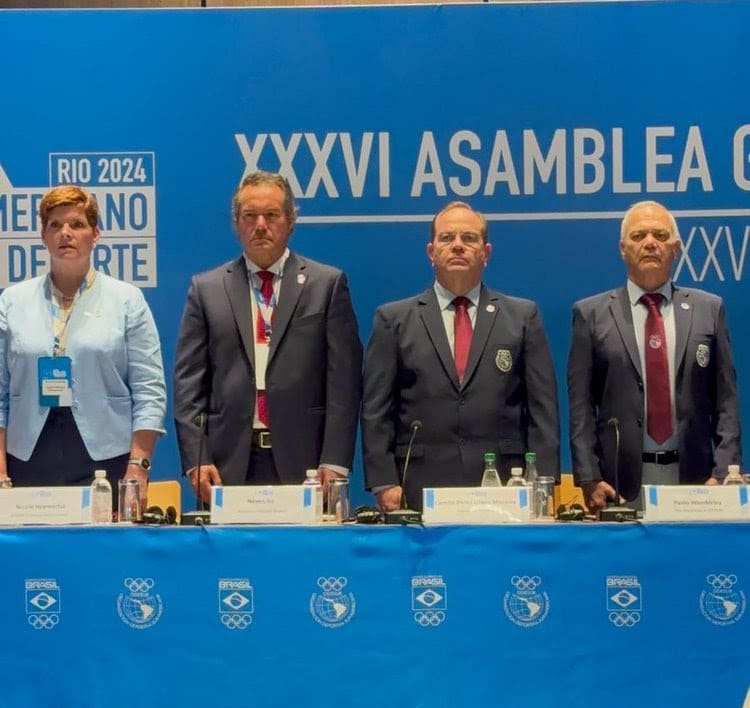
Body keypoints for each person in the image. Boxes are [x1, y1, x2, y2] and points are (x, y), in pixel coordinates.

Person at [173, 171, 363, 504]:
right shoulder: (207, 290)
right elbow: (188, 386)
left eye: (272, 215)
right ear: (236, 222)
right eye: (250, 216)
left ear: (291, 221)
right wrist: (196, 459)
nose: (260, 225)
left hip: (307, 465)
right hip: (226, 463)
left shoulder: (326, 285)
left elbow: (343, 384)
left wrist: (334, 461)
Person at [361, 200, 560, 512]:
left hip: (505, 483)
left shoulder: (522, 316)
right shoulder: (394, 319)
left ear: (486, 253)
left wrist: (544, 482)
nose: (457, 246)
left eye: (468, 239)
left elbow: (542, 409)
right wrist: (384, 480)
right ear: (431, 252)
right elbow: (376, 410)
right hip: (417, 483)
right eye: (446, 238)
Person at [567, 200, 742, 512]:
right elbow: (580, 408)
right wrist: (588, 477)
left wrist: (723, 471)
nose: (650, 243)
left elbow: (726, 401)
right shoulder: (590, 314)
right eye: (639, 236)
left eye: (660, 236)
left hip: (697, 481)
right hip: (619, 484)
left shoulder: (709, 310)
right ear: (623, 248)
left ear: (675, 248)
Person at [0, 185, 167, 504]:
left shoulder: (127, 300)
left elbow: (149, 391)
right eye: (55, 225)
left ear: (95, 234)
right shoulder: (12, 302)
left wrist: (138, 467)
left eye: (76, 224)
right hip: (28, 456)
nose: (65, 233)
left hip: (106, 458)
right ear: (43, 236)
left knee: (104, 552)